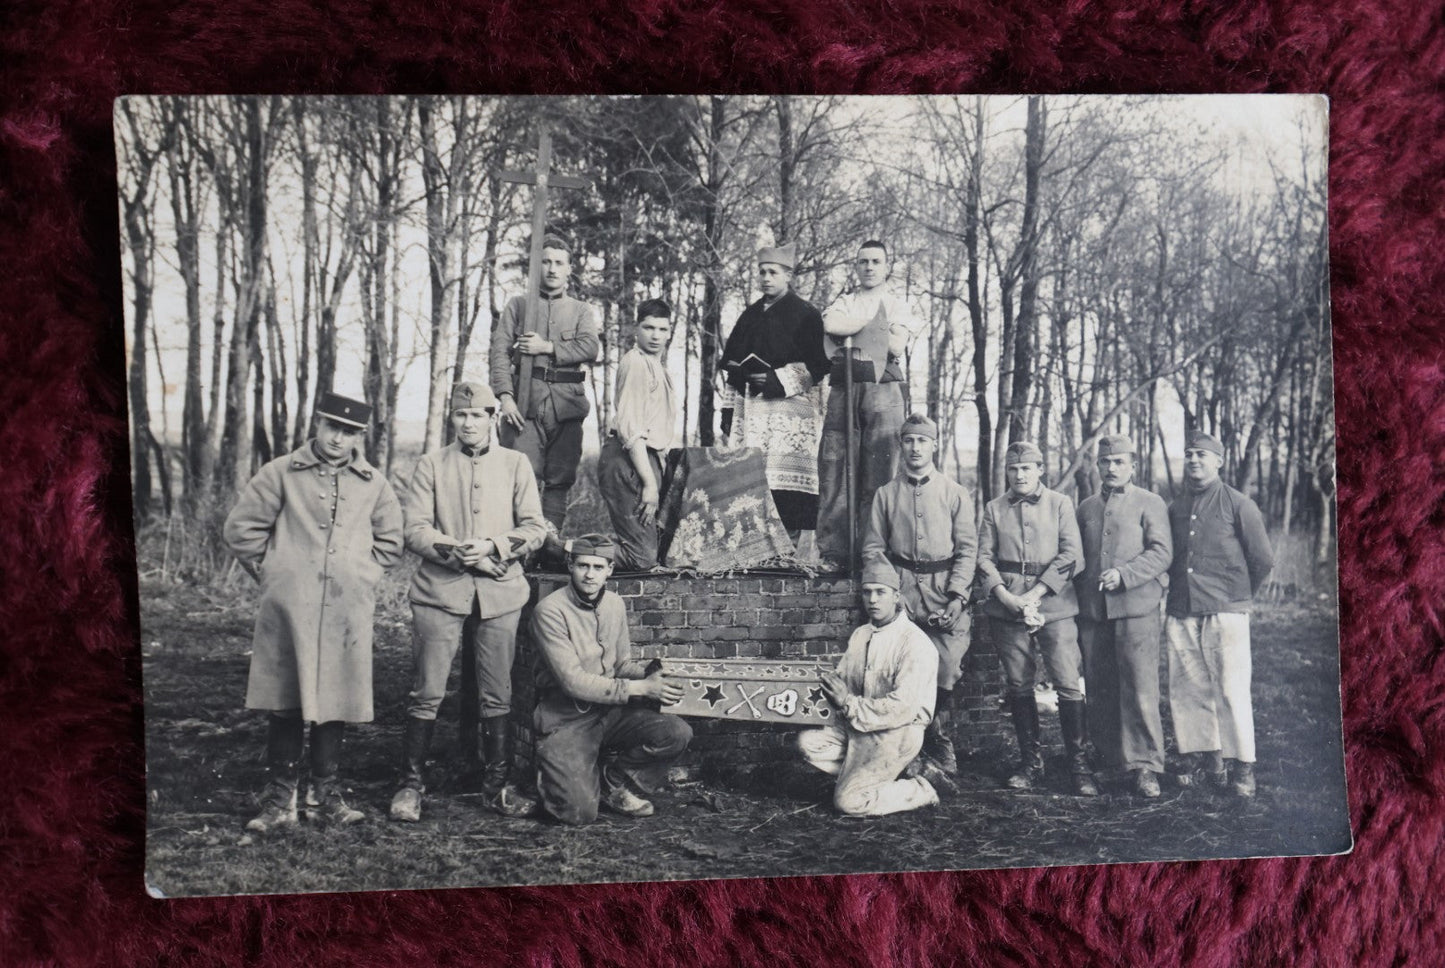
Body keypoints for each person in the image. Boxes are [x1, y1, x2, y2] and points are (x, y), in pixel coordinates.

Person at [223, 391, 405, 833]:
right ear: (316, 426)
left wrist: (361, 575)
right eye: (332, 427)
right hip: (290, 606)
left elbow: (391, 541)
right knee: (285, 698)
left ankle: (324, 797)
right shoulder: (280, 473)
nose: (339, 439)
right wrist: (274, 573)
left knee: (336, 699)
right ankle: (279, 799)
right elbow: (241, 530)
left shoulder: (373, 483)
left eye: (350, 432)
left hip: (346, 608)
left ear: (360, 436)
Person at [390, 381, 548, 823]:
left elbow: (535, 527)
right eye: (461, 415)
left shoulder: (516, 464)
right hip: (440, 590)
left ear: (492, 418)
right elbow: (414, 529)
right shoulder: (431, 464)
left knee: (497, 692)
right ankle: (410, 784)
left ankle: (495, 788)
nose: (468, 423)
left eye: (477, 414)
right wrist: (456, 549)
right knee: (426, 690)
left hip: (500, 591)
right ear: (452, 419)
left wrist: (496, 546)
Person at [529, 534, 694, 825]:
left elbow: (620, 665)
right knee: (577, 813)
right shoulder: (550, 611)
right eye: (582, 566)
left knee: (676, 732)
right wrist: (642, 688)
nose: (590, 574)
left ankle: (612, 783)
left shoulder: (615, 604)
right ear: (570, 566)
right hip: (567, 717)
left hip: (610, 713)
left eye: (597, 567)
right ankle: (551, 774)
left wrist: (650, 673)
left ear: (610, 570)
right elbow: (573, 682)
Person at [861, 413, 977, 775]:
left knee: (946, 670)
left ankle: (935, 740)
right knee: (898, 669)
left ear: (934, 445)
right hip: (902, 593)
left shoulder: (955, 493)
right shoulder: (886, 494)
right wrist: (893, 595)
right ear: (901, 445)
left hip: (944, 594)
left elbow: (968, 550)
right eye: (909, 440)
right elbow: (873, 548)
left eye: (922, 441)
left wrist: (957, 598)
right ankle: (906, 747)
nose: (915, 448)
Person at [976, 441, 1095, 795]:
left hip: (1055, 604)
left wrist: (1036, 594)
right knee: (1018, 683)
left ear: (1041, 469)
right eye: (1013, 469)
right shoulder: (994, 508)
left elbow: (1074, 555)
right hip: (1007, 605)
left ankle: (1079, 763)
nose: (1020, 474)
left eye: (1027, 467)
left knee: (1068, 682)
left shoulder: (1060, 504)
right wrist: (1006, 596)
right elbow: (983, 558)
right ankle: (1031, 763)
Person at [1165, 431, 1274, 798]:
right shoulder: (1176, 506)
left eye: (1202, 455)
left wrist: (1238, 597)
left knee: (1230, 689)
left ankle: (1243, 766)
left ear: (1219, 461)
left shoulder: (1239, 503)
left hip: (1225, 611)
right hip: (1181, 609)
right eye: (1189, 454)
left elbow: (1262, 560)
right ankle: (1205, 756)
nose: (1194, 460)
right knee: (1187, 688)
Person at [798, 558, 952, 816]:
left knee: (849, 802)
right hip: (859, 726)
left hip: (895, 733)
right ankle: (882, 774)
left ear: (896, 596)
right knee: (808, 744)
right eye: (867, 592)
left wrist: (848, 703)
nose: (873, 600)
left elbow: (902, 708)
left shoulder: (915, 643)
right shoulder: (861, 634)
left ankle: (921, 787)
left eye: (881, 592)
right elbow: (842, 679)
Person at [1074, 434, 1173, 798]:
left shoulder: (1150, 503)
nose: (1111, 468)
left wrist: (1125, 575)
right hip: (1092, 614)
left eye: (1119, 462)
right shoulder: (1085, 507)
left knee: (1140, 688)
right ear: (1097, 466)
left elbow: (1162, 552)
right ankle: (1110, 759)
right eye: (1105, 462)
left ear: (1133, 465)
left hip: (1137, 609)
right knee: (1099, 690)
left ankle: (1146, 766)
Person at [489, 234, 601, 552]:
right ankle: (516, 548)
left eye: (559, 263)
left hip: (567, 406)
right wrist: (505, 396)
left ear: (569, 270)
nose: (552, 269)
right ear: (536, 266)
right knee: (519, 476)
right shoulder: (519, 305)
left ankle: (547, 546)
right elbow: (499, 351)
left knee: (560, 478)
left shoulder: (580, 310)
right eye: (546, 261)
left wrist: (547, 347)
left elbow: (590, 346)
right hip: (523, 404)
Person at [816, 240, 922, 570]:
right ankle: (835, 553)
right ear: (856, 266)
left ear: (887, 266)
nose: (869, 267)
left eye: (876, 261)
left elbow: (896, 344)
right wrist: (873, 327)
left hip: (884, 388)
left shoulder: (897, 304)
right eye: (863, 261)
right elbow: (830, 325)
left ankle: (874, 552)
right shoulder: (845, 300)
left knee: (880, 472)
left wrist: (853, 332)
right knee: (835, 467)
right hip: (843, 388)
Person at [718, 242, 832, 541]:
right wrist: (729, 408)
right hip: (751, 412)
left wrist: (776, 380)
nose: (766, 278)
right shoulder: (749, 315)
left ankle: (789, 549)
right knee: (751, 483)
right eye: (762, 272)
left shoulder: (807, 314)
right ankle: (754, 549)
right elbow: (732, 365)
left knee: (785, 486)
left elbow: (818, 365)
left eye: (773, 272)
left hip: (788, 414)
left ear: (788, 275)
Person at [597, 299, 678, 572]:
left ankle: (585, 548)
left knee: (650, 547)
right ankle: (561, 550)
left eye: (662, 329)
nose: (655, 336)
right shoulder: (635, 364)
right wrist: (649, 483)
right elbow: (631, 431)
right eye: (648, 327)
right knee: (641, 558)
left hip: (646, 458)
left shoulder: (655, 365)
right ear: (636, 329)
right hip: (628, 460)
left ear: (669, 332)